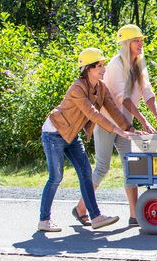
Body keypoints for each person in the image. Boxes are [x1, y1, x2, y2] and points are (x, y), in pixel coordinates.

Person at [74, 24, 157, 227]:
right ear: (126, 44)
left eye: (142, 40)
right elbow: (121, 99)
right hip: (107, 123)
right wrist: (144, 121)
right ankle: (81, 208)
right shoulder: (116, 65)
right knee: (102, 167)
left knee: (131, 166)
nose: (141, 44)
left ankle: (134, 215)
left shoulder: (139, 63)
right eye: (136, 41)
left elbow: (147, 91)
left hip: (126, 126)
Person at [38, 48, 132, 232]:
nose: (103, 69)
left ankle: (95, 217)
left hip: (71, 135)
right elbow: (93, 114)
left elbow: (112, 109)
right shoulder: (77, 88)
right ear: (87, 68)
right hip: (53, 133)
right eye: (99, 66)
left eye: (103, 65)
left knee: (86, 173)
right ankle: (44, 220)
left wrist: (129, 128)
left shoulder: (101, 87)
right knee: (56, 177)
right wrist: (116, 130)